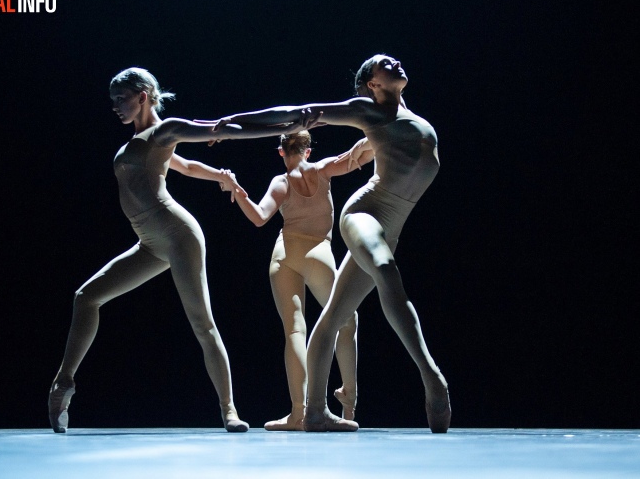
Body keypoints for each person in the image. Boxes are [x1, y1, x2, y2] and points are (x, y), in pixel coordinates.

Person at [47, 67, 312, 433]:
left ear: (142, 95)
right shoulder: (136, 143)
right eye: (112, 102)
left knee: (202, 324)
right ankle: (64, 383)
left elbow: (222, 130)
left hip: (178, 234)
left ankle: (229, 409)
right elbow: (184, 165)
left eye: (120, 99)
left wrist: (282, 128)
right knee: (86, 297)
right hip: (150, 243)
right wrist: (219, 175)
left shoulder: (166, 129)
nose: (115, 107)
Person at [210, 54, 451, 433]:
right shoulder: (367, 111)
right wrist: (234, 126)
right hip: (365, 214)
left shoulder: (408, 118)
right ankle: (431, 377)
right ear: (371, 83)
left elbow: (343, 159)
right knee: (385, 272)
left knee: (333, 318)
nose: (397, 61)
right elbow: (299, 113)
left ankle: (316, 411)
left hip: (389, 226)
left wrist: (358, 153)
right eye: (384, 63)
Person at [224, 130, 374, 430]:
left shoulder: (280, 183)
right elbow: (362, 154)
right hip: (318, 253)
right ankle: (349, 395)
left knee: (294, 331)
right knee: (346, 320)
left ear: (281, 152)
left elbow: (257, 217)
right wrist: (376, 130)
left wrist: (235, 188)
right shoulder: (323, 169)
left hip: (284, 256)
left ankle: (297, 412)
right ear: (307, 150)